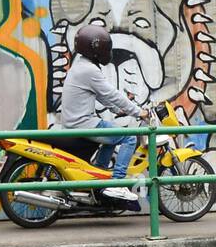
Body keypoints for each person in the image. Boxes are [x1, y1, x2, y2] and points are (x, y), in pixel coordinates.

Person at [58, 25, 151, 202]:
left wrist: (118, 110)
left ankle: (98, 178)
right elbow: (111, 94)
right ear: (96, 50)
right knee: (129, 137)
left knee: (113, 136)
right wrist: (139, 112)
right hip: (83, 124)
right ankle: (118, 184)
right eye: (105, 48)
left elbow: (101, 95)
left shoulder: (80, 66)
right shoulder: (89, 70)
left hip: (76, 123)